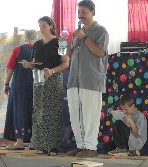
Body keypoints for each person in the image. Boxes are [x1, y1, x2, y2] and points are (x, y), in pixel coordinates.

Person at [66, 0, 109, 158]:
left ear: (93, 12)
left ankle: (90, 147)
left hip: (91, 79)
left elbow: (101, 53)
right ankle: (80, 145)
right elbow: (69, 57)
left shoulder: (100, 31)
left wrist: (84, 38)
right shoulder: (77, 33)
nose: (81, 15)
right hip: (74, 80)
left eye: (84, 12)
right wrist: (64, 47)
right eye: (79, 12)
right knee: (75, 115)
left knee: (90, 115)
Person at [22, 16, 69, 155]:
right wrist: (29, 65)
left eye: (43, 25)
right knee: (39, 111)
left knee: (53, 111)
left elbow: (66, 62)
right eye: (39, 26)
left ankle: (53, 146)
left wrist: (53, 70)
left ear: (50, 26)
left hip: (53, 77)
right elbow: (36, 62)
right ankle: (40, 144)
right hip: (38, 77)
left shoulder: (61, 41)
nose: (41, 28)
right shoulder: (36, 44)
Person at [4, 30, 38, 150]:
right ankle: (35, 141)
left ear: (25, 38)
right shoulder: (38, 49)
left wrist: (6, 84)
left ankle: (19, 142)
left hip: (19, 84)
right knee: (35, 111)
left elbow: (10, 69)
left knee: (19, 111)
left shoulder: (18, 49)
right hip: (36, 84)